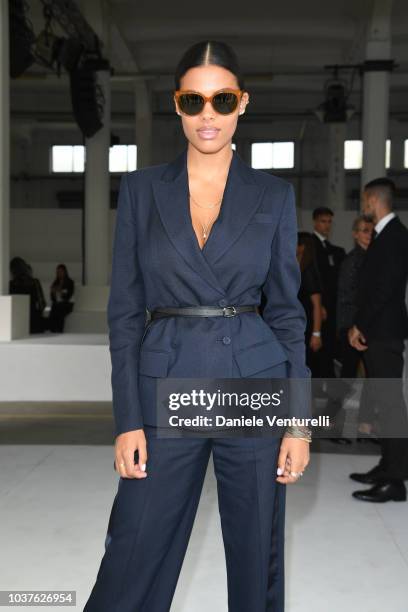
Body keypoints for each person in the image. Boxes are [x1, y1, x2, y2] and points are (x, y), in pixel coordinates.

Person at [84, 40, 311, 612]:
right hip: (167, 385)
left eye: (222, 99)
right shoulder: (141, 190)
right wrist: (128, 419)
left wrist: (299, 424)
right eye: (194, 100)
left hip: (255, 386)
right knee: (133, 547)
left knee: (256, 553)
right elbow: (124, 313)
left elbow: (287, 312)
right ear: (177, 106)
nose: (208, 114)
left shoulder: (274, 195)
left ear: (242, 104)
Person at [348, 177, 408, 502]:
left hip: (383, 332)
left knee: (391, 404)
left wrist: (361, 325)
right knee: (385, 403)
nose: (363, 205)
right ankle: (387, 467)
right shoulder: (387, 235)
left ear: (373, 199)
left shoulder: (394, 236)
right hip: (381, 331)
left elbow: (383, 290)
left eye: (364, 200)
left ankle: (396, 480)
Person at [336, 216, 375, 440]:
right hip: (352, 328)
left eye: (370, 230)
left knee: (370, 378)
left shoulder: (370, 259)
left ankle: (363, 426)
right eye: (363, 230)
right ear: (355, 234)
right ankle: (333, 424)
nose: (368, 234)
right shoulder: (353, 260)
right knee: (348, 378)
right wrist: (352, 327)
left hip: (363, 327)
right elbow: (347, 298)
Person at [311, 207, 346, 378]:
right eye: (323, 221)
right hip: (319, 305)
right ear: (315, 222)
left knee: (329, 345)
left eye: (329, 222)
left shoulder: (333, 250)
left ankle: (326, 381)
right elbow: (315, 279)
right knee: (319, 345)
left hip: (332, 306)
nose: (327, 225)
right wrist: (320, 305)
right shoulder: (310, 246)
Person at [296, 231, 323, 369]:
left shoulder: (308, 271)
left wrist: (316, 333)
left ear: (302, 247)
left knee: (309, 366)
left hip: (308, 327)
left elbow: (317, 305)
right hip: (299, 327)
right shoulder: (297, 269)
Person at [9, 256, 46, 334]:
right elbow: (41, 302)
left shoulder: (11, 284)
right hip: (34, 319)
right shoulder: (34, 282)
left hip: (18, 321)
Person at [48, 264, 74, 333]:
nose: (59, 273)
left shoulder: (70, 282)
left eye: (60, 272)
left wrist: (60, 291)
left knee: (59, 309)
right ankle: (52, 329)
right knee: (54, 308)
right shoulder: (55, 283)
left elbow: (68, 295)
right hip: (57, 303)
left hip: (66, 303)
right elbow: (52, 297)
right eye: (58, 272)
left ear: (65, 272)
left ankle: (59, 330)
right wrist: (53, 292)